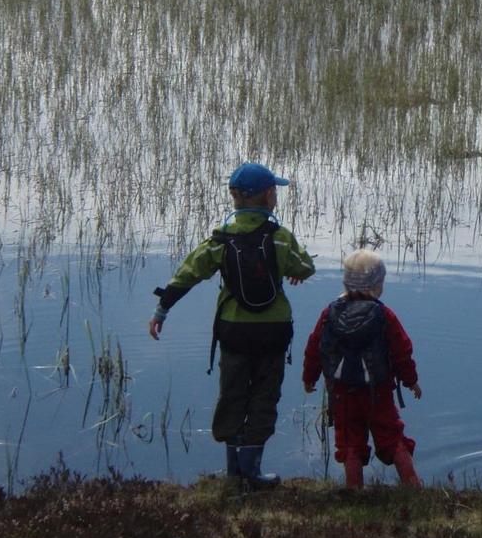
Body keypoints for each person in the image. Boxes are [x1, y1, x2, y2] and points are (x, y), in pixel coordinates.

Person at [148, 162, 315, 489]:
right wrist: (294, 271)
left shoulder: (220, 240)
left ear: (234, 197)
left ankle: (233, 472)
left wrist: (161, 311)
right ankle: (254, 472)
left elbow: (187, 275)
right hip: (273, 331)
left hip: (233, 331)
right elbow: (305, 266)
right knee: (265, 396)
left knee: (233, 394)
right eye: (275, 191)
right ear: (269, 196)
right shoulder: (280, 238)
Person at [302, 249, 423, 489]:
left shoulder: (329, 313)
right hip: (377, 391)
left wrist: (309, 377)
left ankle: (354, 490)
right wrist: (411, 381)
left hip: (342, 392)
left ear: (346, 282)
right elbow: (402, 351)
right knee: (392, 437)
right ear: (378, 285)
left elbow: (314, 347)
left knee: (349, 443)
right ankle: (412, 486)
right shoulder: (384, 315)